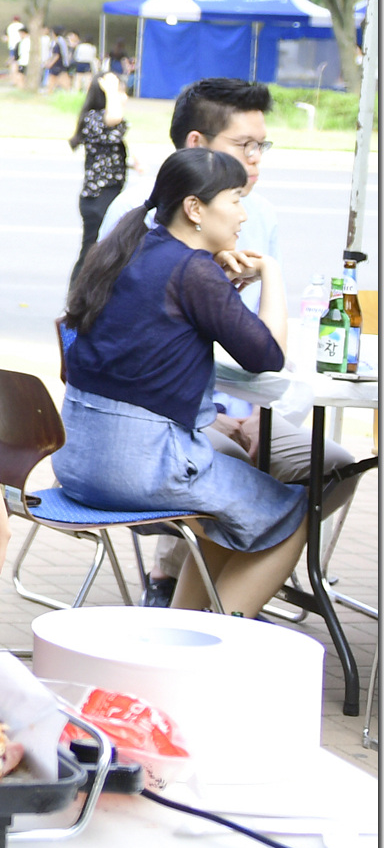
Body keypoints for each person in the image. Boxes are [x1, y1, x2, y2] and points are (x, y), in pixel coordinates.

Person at [100, 76, 357, 603]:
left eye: (263, 145)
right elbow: (266, 354)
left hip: (209, 419)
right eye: (244, 146)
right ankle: (216, 611)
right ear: (197, 149)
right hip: (165, 432)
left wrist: (261, 416)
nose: (257, 160)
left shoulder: (245, 221)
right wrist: (205, 415)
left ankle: (208, 607)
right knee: (279, 507)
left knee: (331, 468)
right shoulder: (148, 232)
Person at [57, 148, 307, 615]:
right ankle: (221, 637)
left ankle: (182, 625)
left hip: (76, 461)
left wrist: (217, 285)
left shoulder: (123, 250)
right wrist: (269, 271)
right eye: (235, 199)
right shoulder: (193, 270)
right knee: (291, 515)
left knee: (225, 512)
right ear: (195, 208)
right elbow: (267, 356)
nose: (243, 214)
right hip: (141, 469)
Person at [69, 71, 128, 267]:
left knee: (103, 254)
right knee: (91, 255)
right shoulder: (95, 118)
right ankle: (79, 287)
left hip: (107, 194)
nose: (124, 97)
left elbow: (109, 150)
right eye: (120, 92)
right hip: (98, 197)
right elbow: (115, 117)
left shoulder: (104, 122)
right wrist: (110, 89)